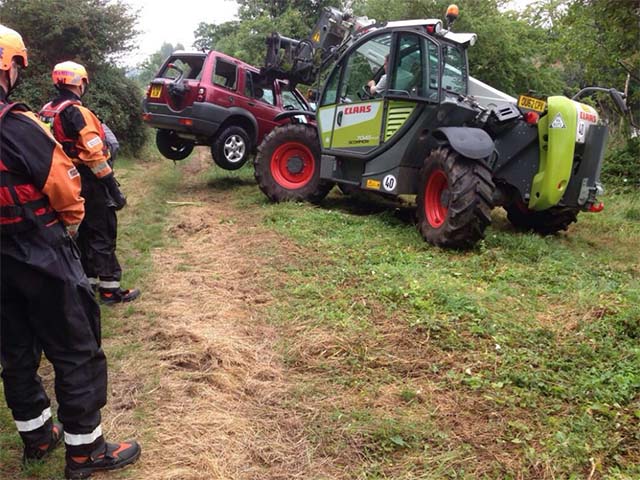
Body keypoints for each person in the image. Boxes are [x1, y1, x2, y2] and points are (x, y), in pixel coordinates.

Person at [0, 24, 141, 479]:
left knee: (15, 348)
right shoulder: (19, 124)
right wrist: (69, 227)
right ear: (10, 66)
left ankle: (38, 435)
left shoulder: (41, 112)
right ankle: (85, 452)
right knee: (75, 345)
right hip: (37, 248)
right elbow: (63, 188)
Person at [39, 61, 140, 304]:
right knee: (102, 231)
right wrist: (113, 189)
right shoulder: (79, 113)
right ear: (80, 83)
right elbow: (95, 155)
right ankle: (110, 290)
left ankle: (87, 282)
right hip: (88, 179)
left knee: (80, 232)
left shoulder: (46, 111)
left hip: (61, 178)